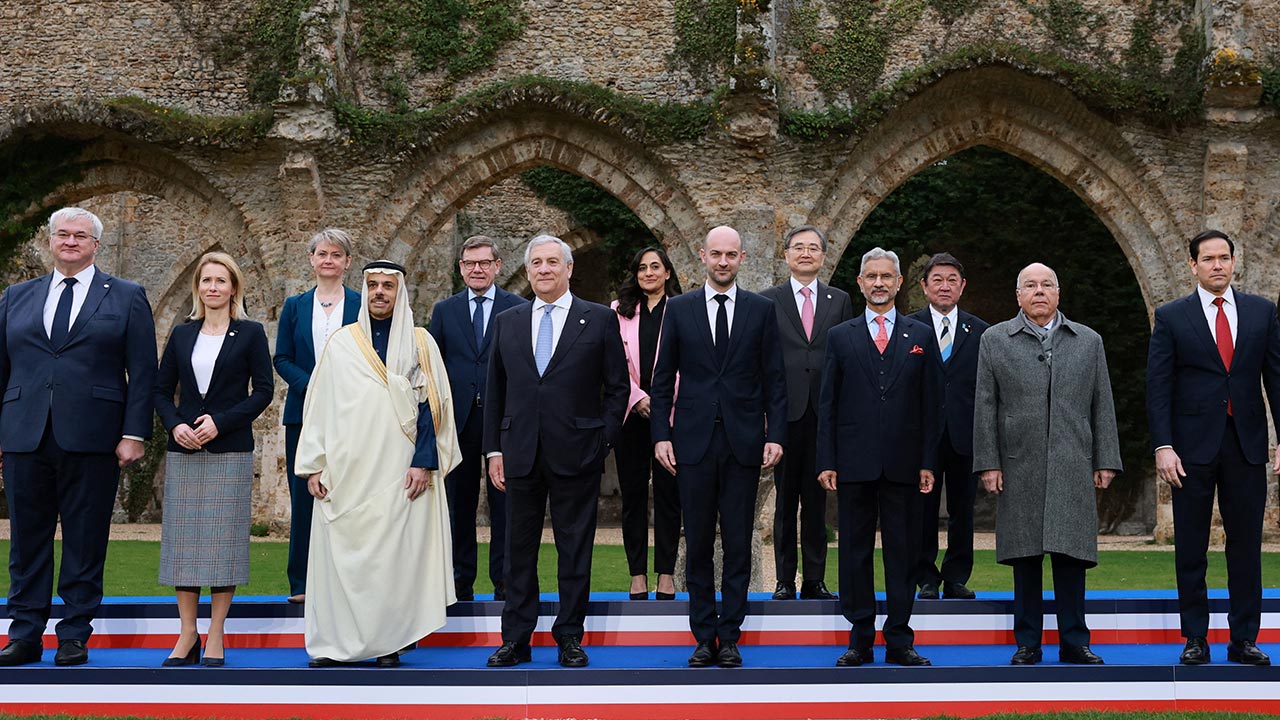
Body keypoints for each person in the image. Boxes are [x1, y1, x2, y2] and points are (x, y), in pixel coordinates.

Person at [0, 207, 156, 667]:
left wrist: (134, 433)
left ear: (95, 245)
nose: (70, 242)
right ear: (50, 241)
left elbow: (143, 372)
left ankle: (74, 635)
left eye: (80, 236)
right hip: (25, 434)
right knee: (27, 542)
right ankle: (24, 634)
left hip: (95, 436)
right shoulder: (16, 296)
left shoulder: (126, 296)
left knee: (86, 541)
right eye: (62, 235)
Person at [295, 260, 460, 667]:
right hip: (346, 471)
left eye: (388, 285)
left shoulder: (421, 343)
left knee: (391, 560)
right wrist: (314, 464)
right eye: (373, 286)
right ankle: (334, 643)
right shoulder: (342, 343)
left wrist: (423, 463)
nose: (380, 293)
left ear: (400, 291)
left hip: (399, 470)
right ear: (364, 291)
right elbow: (319, 405)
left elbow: (433, 409)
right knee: (341, 558)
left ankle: (389, 643)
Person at [483, 235, 629, 669]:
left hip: (577, 452)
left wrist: (602, 439)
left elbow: (617, 389)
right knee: (517, 551)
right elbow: (496, 391)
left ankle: (569, 636)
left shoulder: (599, 319)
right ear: (527, 271)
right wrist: (493, 450)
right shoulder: (508, 321)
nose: (544, 269)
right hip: (519, 452)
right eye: (536, 263)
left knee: (574, 549)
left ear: (568, 269)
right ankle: (516, 638)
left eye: (552, 262)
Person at [651, 225, 787, 669]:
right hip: (691, 443)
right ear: (703, 257)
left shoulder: (761, 310)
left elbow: (775, 381)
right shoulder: (680, 308)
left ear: (742, 258)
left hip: (744, 443)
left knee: (737, 542)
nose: (723, 261)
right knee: (698, 542)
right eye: (716, 254)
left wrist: (776, 435)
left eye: (731, 254)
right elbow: (662, 379)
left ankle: (730, 635)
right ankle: (702, 635)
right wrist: (660, 436)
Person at [972, 262, 1122, 666]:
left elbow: (1102, 403)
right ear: (1017, 295)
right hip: (1019, 462)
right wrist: (989, 462)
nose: (1039, 291)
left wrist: (1105, 458)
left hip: (1074, 460)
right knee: (1024, 557)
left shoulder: (1088, 341)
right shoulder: (994, 340)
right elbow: (985, 405)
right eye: (1030, 285)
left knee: (1072, 556)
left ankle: (1075, 641)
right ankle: (1028, 643)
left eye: (1047, 285)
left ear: (1059, 293)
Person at [1146, 230, 1280, 666]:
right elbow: (1158, 386)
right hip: (1189, 450)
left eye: (1224, 257)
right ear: (1193, 266)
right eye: (1208, 259)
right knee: (1191, 545)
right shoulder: (1171, 316)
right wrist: (1163, 445)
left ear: (1234, 262)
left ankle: (1244, 639)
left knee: (1246, 546)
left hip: (1246, 445)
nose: (1217, 265)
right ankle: (1195, 638)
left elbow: (1276, 380)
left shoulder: (1262, 312)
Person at [816, 247, 940, 667]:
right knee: (854, 551)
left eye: (887, 276)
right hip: (853, 462)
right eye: (871, 276)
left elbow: (931, 406)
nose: (879, 283)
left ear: (900, 282)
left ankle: (901, 639)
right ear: (860, 282)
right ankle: (860, 637)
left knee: (903, 552)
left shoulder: (920, 337)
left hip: (905, 464)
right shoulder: (841, 335)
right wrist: (826, 459)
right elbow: (828, 403)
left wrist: (928, 461)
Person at [154, 252, 274, 667]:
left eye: (221, 280)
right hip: (185, 449)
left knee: (223, 543)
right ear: (198, 287)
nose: (213, 287)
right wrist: (175, 425)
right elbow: (158, 389)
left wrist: (220, 423)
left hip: (229, 449)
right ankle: (187, 634)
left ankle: (217, 632)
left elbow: (263, 391)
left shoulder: (252, 333)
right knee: (184, 545)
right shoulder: (182, 334)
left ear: (233, 287)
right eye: (206, 280)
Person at [429, 235, 525, 602]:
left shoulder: (517, 307)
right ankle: (459, 581)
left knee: (506, 505)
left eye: (484, 263)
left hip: (504, 421)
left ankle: (504, 581)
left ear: (498, 266)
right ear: (461, 269)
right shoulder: (445, 311)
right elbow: (433, 367)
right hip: (460, 421)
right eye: (470, 263)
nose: (477, 269)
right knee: (459, 504)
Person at [760, 226, 852, 601]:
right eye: (798, 247)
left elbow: (845, 354)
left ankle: (814, 579)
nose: (806, 253)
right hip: (784, 413)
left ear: (823, 256)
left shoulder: (840, 299)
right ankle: (784, 580)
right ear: (786, 255)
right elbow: (762, 360)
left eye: (813, 248)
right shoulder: (768, 300)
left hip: (825, 413)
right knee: (785, 502)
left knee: (818, 502)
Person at [273, 228, 361, 605]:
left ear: (347, 262)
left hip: (353, 411)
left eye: (336, 254)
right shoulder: (295, 306)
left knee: (351, 494)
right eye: (322, 254)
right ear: (311, 259)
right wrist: (312, 385)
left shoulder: (359, 304)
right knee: (305, 496)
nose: (328, 260)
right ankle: (301, 582)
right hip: (304, 411)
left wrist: (342, 385)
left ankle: (348, 580)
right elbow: (282, 358)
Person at [909, 253, 989, 601]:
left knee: (963, 511)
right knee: (922, 510)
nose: (945, 286)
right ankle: (925, 577)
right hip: (921, 435)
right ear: (924, 286)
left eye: (951, 279)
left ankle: (957, 576)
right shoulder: (908, 327)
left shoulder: (982, 331)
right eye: (937, 279)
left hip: (964, 434)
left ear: (962, 286)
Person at [611, 246, 684, 601]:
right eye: (642, 268)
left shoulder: (684, 311)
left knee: (671, 498)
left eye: (655, 267)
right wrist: (637, 398)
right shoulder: (618, 312)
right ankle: (637, 574)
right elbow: (613, 365)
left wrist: (664, 403)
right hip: (632, 417)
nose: (649, 273)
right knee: (634, 498)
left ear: (667, 273)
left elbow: (692, 362)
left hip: (672, 418)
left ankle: (666, 575)